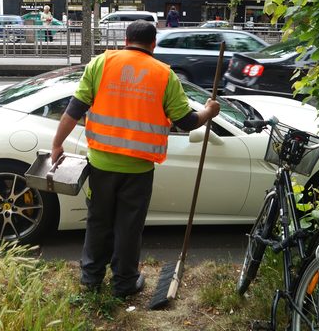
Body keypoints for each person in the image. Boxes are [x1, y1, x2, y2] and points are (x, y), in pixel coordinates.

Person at [50, 20, 220, 298]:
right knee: (128, 228)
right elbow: (186, 121)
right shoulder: (164, 75)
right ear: (153, 44)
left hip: (101, 165)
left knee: (98, 222)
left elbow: (75, 108)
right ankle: (124, 284)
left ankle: (91, 279)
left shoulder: (101, 64)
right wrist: (208, 112)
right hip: (138, 168)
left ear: (126, 40)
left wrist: (57, 144)